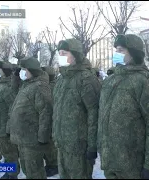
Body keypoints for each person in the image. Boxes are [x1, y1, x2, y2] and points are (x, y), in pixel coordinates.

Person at [98, 34, 149, 179]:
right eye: (116, 50)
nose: (117, 54)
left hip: (133, 163)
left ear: (133, 53)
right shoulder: (110, 81)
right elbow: (102, 116)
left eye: (121, 50)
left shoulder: (145, 82)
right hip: (110, 159)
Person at [53, 38, 101, 179]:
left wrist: (92, 146)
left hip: (79, 147)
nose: (60, 57)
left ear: (76, 55)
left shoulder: (86, 79)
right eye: (59, 53)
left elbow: (94, 113)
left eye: (64, 53)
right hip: (62, 144)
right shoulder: (62, 79)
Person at [9, 57, 53, 179]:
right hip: (23, 138)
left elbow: (46, 113)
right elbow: (13, 91)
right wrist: (15, 76)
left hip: (32, 139)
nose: (21, 72)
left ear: (32, 71)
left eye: (24, 69)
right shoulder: (27, 85)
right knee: (27, 168)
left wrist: (43, 137)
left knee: (35, 171)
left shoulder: (40, 87)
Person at [0, 61, 20, 179]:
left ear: (4, 71)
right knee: (5, 151)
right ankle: (8, 171)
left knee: (10, 152)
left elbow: (12, 109)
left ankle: (12, 174)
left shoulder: (8, 87)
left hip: (4, 126)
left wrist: (8, 127)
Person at [41, 66, 59, 177]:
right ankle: (50, 163)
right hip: (48, 119)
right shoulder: (48, 86)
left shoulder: (52, 87)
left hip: (52, 119)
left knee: (51, 145)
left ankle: (53, 165)